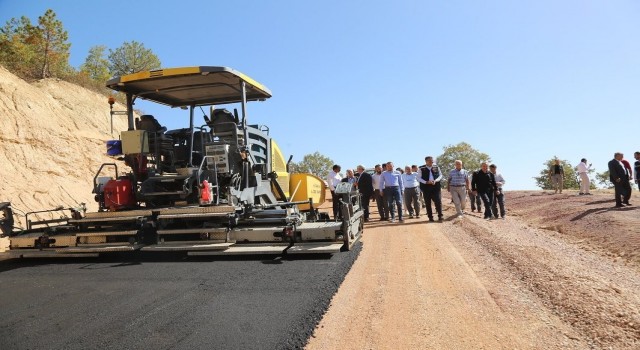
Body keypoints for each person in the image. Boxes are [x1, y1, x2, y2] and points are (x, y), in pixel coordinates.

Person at [418, 156, 443, 222]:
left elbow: (440, 175)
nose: (431, 161)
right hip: (426, 187)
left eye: (432, 160)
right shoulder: (421, 168)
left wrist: (436, 180)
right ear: (426, 161)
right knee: (427, 202)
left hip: (436, 186)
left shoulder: (436, 167)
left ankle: (440, 216)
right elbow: (418, 178)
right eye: (429, 160)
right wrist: (426, 182)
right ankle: (430, 217)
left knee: (438, 201)